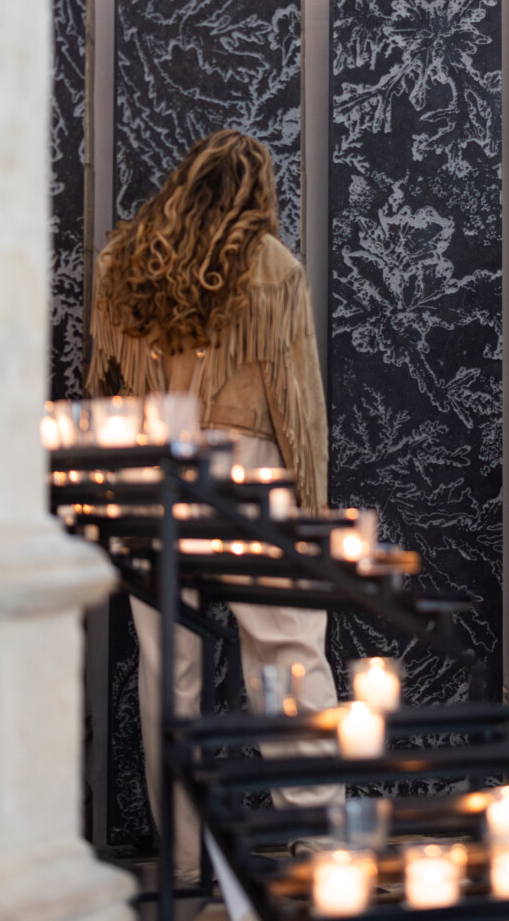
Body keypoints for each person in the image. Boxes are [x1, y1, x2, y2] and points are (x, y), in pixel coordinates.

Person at [88, 129, 340, 878]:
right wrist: (313, 509)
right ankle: (320, 833)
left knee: (172, 670)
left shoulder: (123, 263)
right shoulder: (273, 266)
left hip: (151, 467)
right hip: (247, 469)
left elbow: (103, 383)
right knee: (289, 653)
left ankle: (187, 858)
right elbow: (299, 400)